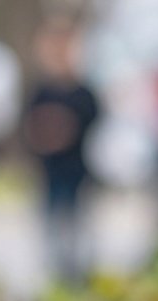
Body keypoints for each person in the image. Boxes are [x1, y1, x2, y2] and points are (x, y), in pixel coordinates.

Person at [19, 19, 101, 283]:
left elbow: (91, 122)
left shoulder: (82, 91)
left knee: (77, 231)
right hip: (50, 171)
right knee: (54, 230)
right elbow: (29, 127)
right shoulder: (41, 90)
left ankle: (75, 278)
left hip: (76, 170)